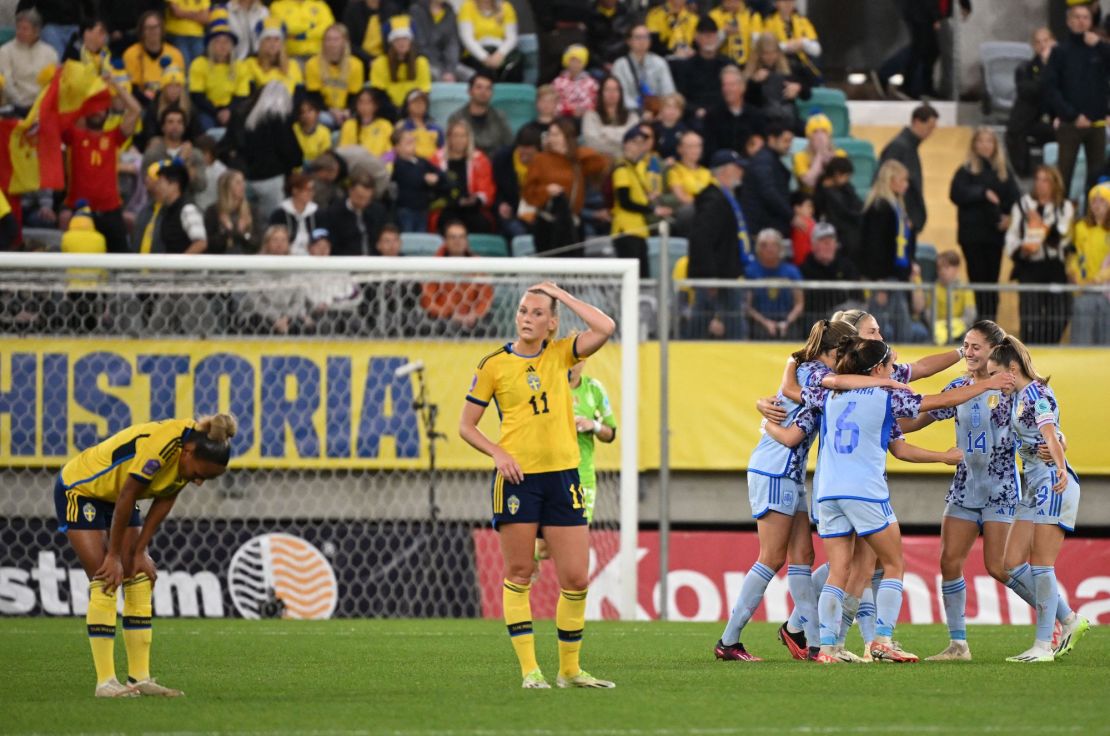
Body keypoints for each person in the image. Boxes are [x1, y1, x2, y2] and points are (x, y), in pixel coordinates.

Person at [766, 337, 1013, 664]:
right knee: (894, 563)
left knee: (839, 570)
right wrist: (990, 384)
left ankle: (827, 648)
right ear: (879, 368)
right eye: (891, 364)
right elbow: (940, 401)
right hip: (864, 491)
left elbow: (794, 391)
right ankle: (883, 638)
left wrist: (768, 396)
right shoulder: (887, 395)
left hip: (827, 492)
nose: (896, 369)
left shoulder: (827, 393)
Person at [715, 319, 908, 662]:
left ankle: (812, 641)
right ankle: (730, 641)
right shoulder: (817, 374)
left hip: (791, 472)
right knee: (772, 557)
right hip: (776, 468)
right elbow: (798, 419)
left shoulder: (808, 371)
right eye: (844, 354)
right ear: (834, 352)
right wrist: (767, 419)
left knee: (803, 557)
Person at [458, 281, 617, 689]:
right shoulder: (493, 365)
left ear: (551, 322)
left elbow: (605, 326)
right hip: (518, 480)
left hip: (565, 477)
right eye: (523, 311)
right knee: (520, 570)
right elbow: (466, 426)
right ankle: (531, 671)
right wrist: (497, 453)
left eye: (536, 313)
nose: (527, 319)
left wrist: (561, 295)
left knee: (576, 578)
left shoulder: (562, 353)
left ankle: (570, 670)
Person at [56, 413, 236, 697]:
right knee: (106, 577)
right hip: (82, 489)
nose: (199, 482)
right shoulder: (163, 445)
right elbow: (128, 495)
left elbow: (166, 497)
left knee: (139, 576)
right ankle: (105, 682)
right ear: (187, 452)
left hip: (121, 496)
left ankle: (139, 678)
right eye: (200, 475)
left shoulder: (191, 452)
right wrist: (114, 555)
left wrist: (140, 551)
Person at [891, 320, 1013, 661]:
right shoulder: (958, 385)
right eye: (966, 346)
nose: (969, 353)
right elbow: (918, 419)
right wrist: (884, 420)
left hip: (1000, 489)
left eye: (976, 347)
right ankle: (958, 645)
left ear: (994, 351)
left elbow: (1040, 423)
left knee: (1001, 568)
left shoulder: (1009, 389)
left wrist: (1055, 443)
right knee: (949, 562)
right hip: (964, 489)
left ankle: (1058, 617)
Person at [989, 337, 1089, 662]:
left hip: (1051, 482)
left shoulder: (1037, 394)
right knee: (1011, 564)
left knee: (1042, 565)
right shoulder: (1017, 396)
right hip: (1031, 484)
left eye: (997, 374)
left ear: (1012, 369)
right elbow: (1055, 433)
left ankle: (1043, 645)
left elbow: (1050, 431)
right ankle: (1069, 620)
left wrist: (1059, 464)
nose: (995, 383)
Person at [63, 74, 142, 253]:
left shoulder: (113, 137)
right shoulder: (74, 137)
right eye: (93, 108)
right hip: (80, 211)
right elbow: (60, 116)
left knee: (121, 264)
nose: (98, 112)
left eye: (102, 108)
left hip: (111, 210)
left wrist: (115, 85)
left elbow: (135, 110)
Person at [948, 127, 1019, 323]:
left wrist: (1009, 218)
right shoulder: (965, 171)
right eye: (981, 141)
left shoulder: (1004, 172)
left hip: (995, 235)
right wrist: (982, 193)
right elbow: (956, 194)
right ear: (974, 144)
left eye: (989, 141)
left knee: (992, 281)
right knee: (977, 279)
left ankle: (991, 322)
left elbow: (1015, 198)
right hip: (972, 236)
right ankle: (982, 321)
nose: (985, 145)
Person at [1043, 2, 1110, 195]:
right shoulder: (1060, 51)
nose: (1081, 21)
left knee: (1097, 177)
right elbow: (1051, 89)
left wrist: (1100, 45)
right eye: (1077, 17)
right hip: (1069, 125)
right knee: (1064, 175)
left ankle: (1094, 219)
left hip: (1096, 123)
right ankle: (1061, 217)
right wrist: (1072, 115)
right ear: (1068, 22)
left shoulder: (1100, 48)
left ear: (1091, 22)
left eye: (1085, 17)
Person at [1003, 165, 1074, 345]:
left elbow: (1064, 237)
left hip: (1054, 267)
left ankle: (1049, 346)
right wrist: (1021, 250)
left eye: (1046, 180)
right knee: (1029, 315)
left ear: (1055, 183)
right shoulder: (1022, 204)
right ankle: (1029, 354)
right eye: (1038, 179)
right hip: (1029, 266)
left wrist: (1039, 224)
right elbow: (1012, 236)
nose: (1041, 184)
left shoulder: (1064, 206)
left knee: (1060, 313)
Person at [685, 149, 750, 339]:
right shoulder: (714, 200)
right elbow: (702, 240)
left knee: (726, 317)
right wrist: (709, 276)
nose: (741, 172)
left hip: (725, 272)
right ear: (725, 171)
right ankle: (687, 349)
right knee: (704, 317)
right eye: (737, 168)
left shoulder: (724, 198)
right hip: (715, 275)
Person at [522, 118, 609, 258]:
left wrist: (573, 151)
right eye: (550, 134)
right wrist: (546, 190)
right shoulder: (540, 159)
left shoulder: (577, 160)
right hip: (548, 223)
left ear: (567, 137)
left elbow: (601, 162)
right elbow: (527, 192)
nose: (553, 138)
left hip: (573, 223)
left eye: (557, 134)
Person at [861, 160, 917, 344]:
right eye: (903, 180)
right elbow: (875, 247)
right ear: (891, 180)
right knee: (879, 327)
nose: (906, 185)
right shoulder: (881, 208)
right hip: (885, 278)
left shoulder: (897, 209)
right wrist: (880, 281)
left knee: (903, 327)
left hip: (896, 276)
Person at [228, 82, 303, 218]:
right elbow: (291, 152)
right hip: (271, 179)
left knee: (247, 220)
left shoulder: (249, 119)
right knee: (272, 221)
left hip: (247, 178)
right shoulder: (281, 120)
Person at [610, 127, 672, 279]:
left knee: (642, 276)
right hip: (626, 229)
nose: (638, 147)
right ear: (625, 144)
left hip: (638, 229)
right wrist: (651, 209)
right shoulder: (622, 169)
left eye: (641, 143)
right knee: (634, 277)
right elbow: (625, 202)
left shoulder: (635, 169)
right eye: (634, 142)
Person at [418, 220, 495, 335]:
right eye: (453, 237)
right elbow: (428, 301)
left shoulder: (478, 265)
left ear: (466, 241)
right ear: (446, 241)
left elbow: (486, 296)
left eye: (461, 237)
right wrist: (450, 315)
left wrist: (474, 314)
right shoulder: (434, 265)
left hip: (471, 318)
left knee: (490, 327)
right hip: (442, 319)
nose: (457, 241)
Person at [879, 104, 938, 237]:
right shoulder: (899, 147)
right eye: (929, 127)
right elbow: (886, 181)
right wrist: (903, 216)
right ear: (916, 122)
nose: (931, 133)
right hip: (901, 219)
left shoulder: (907, 146)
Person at [431, 118, 496, 234]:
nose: (459, 140)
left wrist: (476, 200)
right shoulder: (436, 159)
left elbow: (486, 189)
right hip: (446, 208)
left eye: (463, 136)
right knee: (447, 222)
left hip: (472, 208)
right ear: (448, 138)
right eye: (455, 136)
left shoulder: (480, 159)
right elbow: (432, 191)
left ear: (468, 138)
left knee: (481, 224)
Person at [1006, 28, 1056, 178]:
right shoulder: (1025, 68)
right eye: (1038, 42)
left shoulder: (1066, 66)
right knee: (1015, 128)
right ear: (1033, 46)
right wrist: (1047, 70)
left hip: (1060, 117)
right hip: (1034, 117)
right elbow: (1027, 91)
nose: (1042, 45)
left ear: (1053, 42)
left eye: (1046, 41)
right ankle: (1024, 173)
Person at [1068, 182, 1110, 345]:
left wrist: (1098, 279)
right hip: (1083, 290)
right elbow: (1075, 255)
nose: (1097, 205)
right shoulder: (1081, 227)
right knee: (1082, 334)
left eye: (1102, 201)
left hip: (1105, 291)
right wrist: (1074, 274)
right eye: (1094, 200)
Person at [744, 33, 810, 135]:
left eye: (773, 53)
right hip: (764, 121)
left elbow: (807, 94)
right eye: (766, 53)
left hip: (788, 118)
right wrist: (755, 83)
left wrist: (798, 88)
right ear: (759, 54)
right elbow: (748, 101)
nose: (770, 57)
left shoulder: (789, 69)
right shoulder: (751, 72)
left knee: (812, 128)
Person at [744, 228, 804, 340]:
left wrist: (787, 322)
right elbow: (748, 306)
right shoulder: (750, 271)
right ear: (757, 248)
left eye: (774, 245)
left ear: (780, 248)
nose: (769, 249)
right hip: (759, 322)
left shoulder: (792, 271)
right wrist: (765, 322)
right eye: (764, 245)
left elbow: (799, 304)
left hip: (787, 320)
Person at [799, 222, 862, 325]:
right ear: (813, 246)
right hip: (813, 323)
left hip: (842, 322)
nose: (828, 245)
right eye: (823, 241)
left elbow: (857, 298)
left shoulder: (848, 267)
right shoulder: (803, 270)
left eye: (831, 241)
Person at [304, 24, 364, 129]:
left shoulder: (356, 65)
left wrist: (346, 111)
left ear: (344, 42)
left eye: (336, 39)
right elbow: (314, 97)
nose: (332, 44)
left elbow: (355, 97)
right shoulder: (312, 64)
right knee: (323, 119)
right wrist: (332, 111)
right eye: (328, 39)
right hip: (323, 110)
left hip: (346, 111)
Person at [740, 122, 794, 239]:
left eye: (790, 141)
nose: (788, 145)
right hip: (762, 229)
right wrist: (791, 215)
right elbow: (769, 192)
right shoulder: (764, 161)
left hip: (767, 226)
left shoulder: (770, 159)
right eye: (785, 141)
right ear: (771, 139)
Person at [702, 66, 764, 166]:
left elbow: (759, 142)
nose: (727, 89)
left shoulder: (756, 115)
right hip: (722, 166)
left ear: (742, 87)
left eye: (731, 85)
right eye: (724, 85)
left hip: (749, 165)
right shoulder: (712, 115)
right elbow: (709, 150)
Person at [611, 24, 675, 120]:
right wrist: (640, 113)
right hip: (629, 115)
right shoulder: (620, 65)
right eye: (638, 37)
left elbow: (669, 92)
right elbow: (622, 97)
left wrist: (661, 111)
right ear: (629, 41)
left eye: (646, 37)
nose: (642, 41)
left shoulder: (660, 62)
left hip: (658, 114)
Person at [188, 14, 240, 131]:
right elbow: (197, 96)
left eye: (226, 42)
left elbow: (241, 96)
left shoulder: (240, 66)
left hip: (231, 110)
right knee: (205, 123)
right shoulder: (199, 63)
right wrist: (217, 112)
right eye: (218, 42)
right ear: (210, 45)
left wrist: (228, 111)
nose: (223, 46)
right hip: (207, 110)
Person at [0, 9, 58, 114]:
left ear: (36, 31)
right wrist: (21, 102)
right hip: (16, 105)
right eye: (18, 28)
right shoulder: (5, 51)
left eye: (25, 29)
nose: (20, 32)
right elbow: (7, 83)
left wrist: (40, 103)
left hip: (42, 105)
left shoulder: (50, 53)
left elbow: (52, 83)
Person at [124, 12, 186, 105]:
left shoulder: (175, 54)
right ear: (142, 31)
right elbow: (132, 87)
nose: (152, 31)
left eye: (155, 27)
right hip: (142, 102)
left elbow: (179, 85)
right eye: (148, 28)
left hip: (169, 100)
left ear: (161, 29)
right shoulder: (131, 54)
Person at [491, 125, 541, 241]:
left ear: (537, 148)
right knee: (517, 231)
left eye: (529, 148)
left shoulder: (544, 162)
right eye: (521, 147)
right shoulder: (503, 159)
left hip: (536, 213)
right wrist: (500, 204)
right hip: (511, 213)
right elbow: (496, 190)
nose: (524, 152)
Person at [235, 17, 303, 99]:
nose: (272, 44)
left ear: (282, 44)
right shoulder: (250, 64)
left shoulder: (293, 65)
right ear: (261, 43)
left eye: (276, 39)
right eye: (268, 39)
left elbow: (299, 95)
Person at [392, 128, 446, 232]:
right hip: (406, 210)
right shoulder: (397, 163)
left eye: (413, 141)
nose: (412, 143)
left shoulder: (422, 161)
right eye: (407, 142)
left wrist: (436, 178)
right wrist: (424, 178)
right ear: (397, 147)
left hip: (423, 209)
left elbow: (440, 173)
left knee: (421, 240)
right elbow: (410, 179)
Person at [325, 171, 391, 256]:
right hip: (345, 262)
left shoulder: (378, 211)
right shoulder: (334, 213)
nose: (363, 202)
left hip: (374, 262)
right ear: (350, 191)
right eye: (360, 197)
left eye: (367, 199)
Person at [447, 72, 512, 157]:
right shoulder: (456, 118)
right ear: (469, 91)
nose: (483, 92)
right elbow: (451, 148)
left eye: (488, 88)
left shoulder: (500, 117)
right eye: (479, 87)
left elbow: (509, 145)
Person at [457, 0, 522, 82]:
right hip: (476, 55)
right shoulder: (467, 6)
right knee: (485, 72)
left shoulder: (505, 7)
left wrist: (499, 54)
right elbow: (467, 38)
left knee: (514, 67)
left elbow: (512, 37)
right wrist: (485, 58)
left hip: (501, 53)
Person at [369, 24, 431, 111]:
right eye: (397, 40)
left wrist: (408, 109)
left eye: (405, 39)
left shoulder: (421, 62)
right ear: (391, 43)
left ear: (410, 42)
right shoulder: (380, 63)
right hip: (387, 110)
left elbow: (424, 91)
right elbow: (379, 91)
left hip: (413, 109)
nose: (401, 43)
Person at [760, 0, 822, 83]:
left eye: (791, 1)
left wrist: (803, 43)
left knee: (816, 79)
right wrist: (788, 46)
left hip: (803, 64)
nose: (788, 4)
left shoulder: (803, 21)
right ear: (776, 3)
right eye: (784, 1)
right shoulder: (769, 22)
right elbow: (768, 48)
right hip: (780, 65)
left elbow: (817, 50)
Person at [581, 75, 640, 161]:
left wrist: (605, 134)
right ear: (601, 93)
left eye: (615, 90)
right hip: (601, 161)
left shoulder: (632, 116)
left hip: (629, 160)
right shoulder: (590, 116)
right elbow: (592, 143)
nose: (611, 93)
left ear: (621, 93)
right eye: (607, 89)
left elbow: (635, 140)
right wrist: (622, 141)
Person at [410, 0, 467, 82]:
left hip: (446, 62)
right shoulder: (416, 10)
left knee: (470, 76)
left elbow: (452, 44)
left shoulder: (450, 13)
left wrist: (449, 70)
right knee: (436, 74)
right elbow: (420, 44)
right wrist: (442, 69)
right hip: (423, 60)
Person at [665, 130, 710, 234]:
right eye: (690, 146)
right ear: (680, 149)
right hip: (690, 215)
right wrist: (705, 205)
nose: (696, 150)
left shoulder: (707, 172)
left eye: (698, 146)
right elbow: (680, 197)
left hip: (708, 213)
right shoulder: (675, 171)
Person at [204, 168, 257, 254]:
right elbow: (211, 245)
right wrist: (227, 231)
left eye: (243, 182)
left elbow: (256, 244)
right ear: (226, 186)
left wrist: (243, 234)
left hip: (246, 262)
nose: (243, 186)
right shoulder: (213, 211)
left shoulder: (252, 210)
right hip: (220, 262)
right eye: (238, 183)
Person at [268, 172, 321, 255]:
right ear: (295, 190)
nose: (311, 193)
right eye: (307, 190)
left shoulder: (318, 213)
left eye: (312, 190)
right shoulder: (279, 214)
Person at [931, 251, 977, 344]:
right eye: (939, 268)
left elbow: (970, 314)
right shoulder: (934, 288)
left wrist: (955, 324)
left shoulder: (965, 288)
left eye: (946, 267)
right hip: (938, 328)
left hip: (959, 328)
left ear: (956, 268)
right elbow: (929, 314)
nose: (942, 271)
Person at [793, 114, 845, 195]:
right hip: (810, 197)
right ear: (809, 137)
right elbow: (808, 182)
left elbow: (841, 181)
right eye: (815, 132)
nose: (820, 136)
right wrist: (819, 156)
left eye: (824, 131)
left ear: (829, 135)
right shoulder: (800, 156)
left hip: (835, 197)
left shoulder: (840, 154)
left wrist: (830, 159)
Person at [268, 0, 333, 63]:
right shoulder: (277, 6)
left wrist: (304, 36)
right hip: (292, 57)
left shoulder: (320, 4)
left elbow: (328, 29)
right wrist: (310, 25)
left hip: (319, 55)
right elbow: (286, 28)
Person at [340, 87, 394, 158]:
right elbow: (343, 151)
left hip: (380, 166)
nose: (364, 106)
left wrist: (380, 164)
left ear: (376, 105)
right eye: (361, 102)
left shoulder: (385, 125)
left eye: (368, 102)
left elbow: (391, 153)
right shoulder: (349, 125)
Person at [710, 0, 763, 67]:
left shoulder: (752, 16)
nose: (732, 4)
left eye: (735, 1)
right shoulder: (713, 16)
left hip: (747, 64)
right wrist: (723, 33)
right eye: (728, 2)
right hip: (721, 64)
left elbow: (756, 43)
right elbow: (709, 45)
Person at [396, 89, 445, 161]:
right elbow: (395, 150)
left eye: (422, 102)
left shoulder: (436, 128)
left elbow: (443, 150)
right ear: (407, 105)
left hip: (433, 165)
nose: (419, 104)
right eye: (415, 102)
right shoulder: (401, 126)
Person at [553, 45, 598, 120]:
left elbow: (594, 102)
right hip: (564, 118)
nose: (575, 64)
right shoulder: (558, 82)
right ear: (566, 61)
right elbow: (555, 103)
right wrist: (571, 110)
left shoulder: (591, 83)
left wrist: (583, 110)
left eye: (579, 61)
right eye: (572, 60)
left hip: (586, 118)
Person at [164, 0, 210, 69]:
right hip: (177, 34)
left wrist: (184, 13)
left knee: (199, 66)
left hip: (198, 36)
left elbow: (205, 18)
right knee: (184, 65)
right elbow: (176, 13)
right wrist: (196, 14)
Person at [293, 97, 331, 166]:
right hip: (296, 166)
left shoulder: (324, 132)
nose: (306, 115)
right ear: (299, 116)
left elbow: (325, 156)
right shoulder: (294, 128)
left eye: (310, 111)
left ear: (317, 113)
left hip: (316, 167)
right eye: (302, 112)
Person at [789, 191, 815, 266]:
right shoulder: (807, 223)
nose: (812, 210)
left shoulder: (788, 224)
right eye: (808, 206)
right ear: (797, 208)